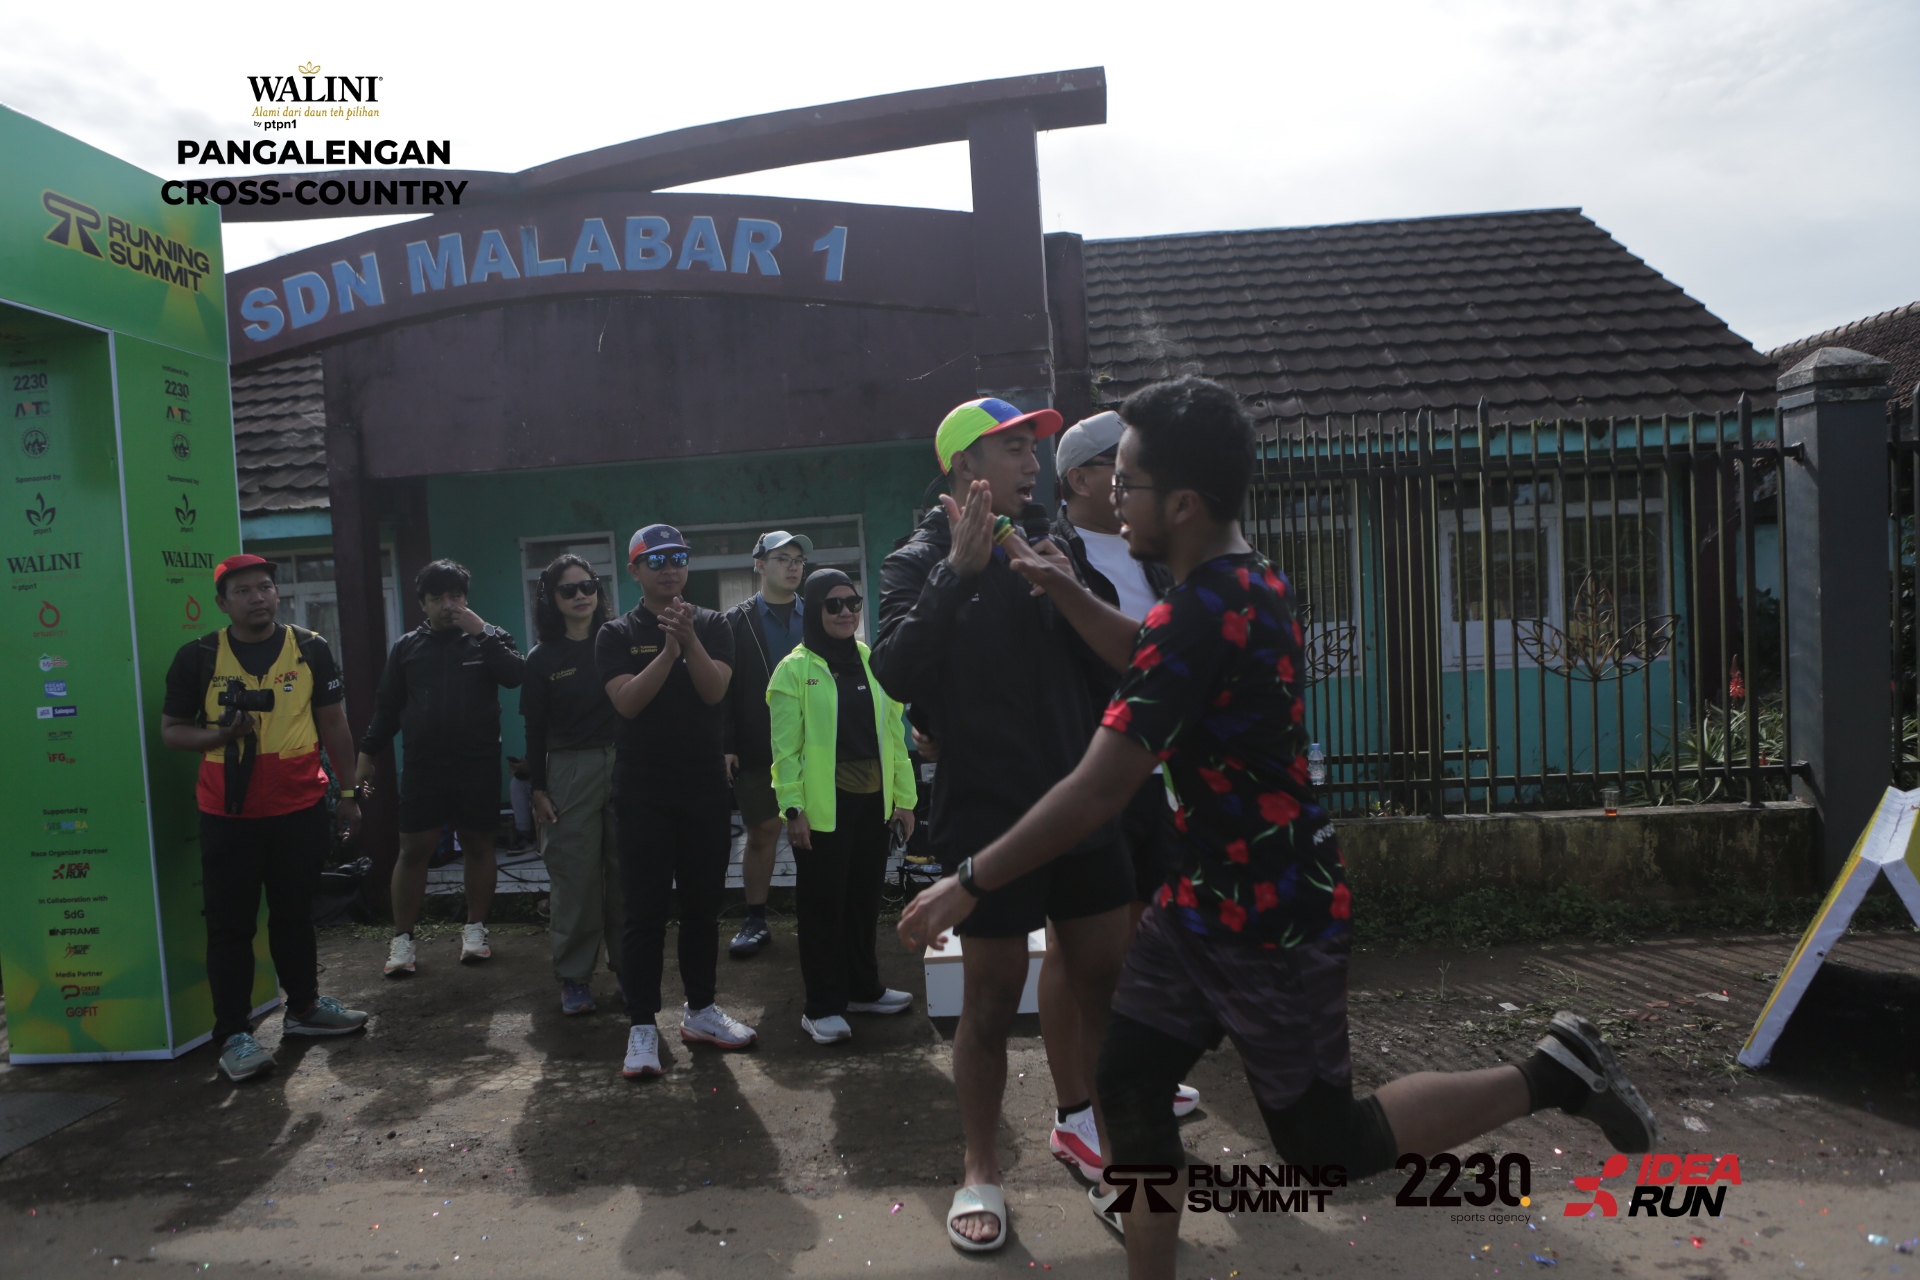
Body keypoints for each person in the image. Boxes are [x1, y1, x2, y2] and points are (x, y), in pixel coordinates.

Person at [898, 377, 1658, 1279]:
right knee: (1128, 1089)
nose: (1110, 497)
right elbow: (1141, 654)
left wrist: (967, 880)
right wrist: (1063, 586)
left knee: (1325, 1144)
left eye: (1127, 482)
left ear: (1181, 503)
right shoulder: (1228, 583)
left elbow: (1101, 786)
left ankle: (1554, 1072)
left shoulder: (1207, 608)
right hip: (1199, 905)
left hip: (1271, 916)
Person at [870, 397, 1136, 1253]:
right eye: (1014, 449)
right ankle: (981, 1168)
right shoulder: (915, 561)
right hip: (986, 814)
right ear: (965, 467)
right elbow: (897, 672)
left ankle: (1104, 1148)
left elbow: (1117, 660)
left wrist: (1064, 581)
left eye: (1034, 449)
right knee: (986, 1002)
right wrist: (957, 572)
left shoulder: (1054, 542)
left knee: (1102, 980)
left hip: (1082, 803)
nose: (1032, 464)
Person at [1040, 411, 1196, 1179]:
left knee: (1135, 938)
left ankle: (1126, 1080)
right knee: (1075, 947)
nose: (1137, 474)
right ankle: (1074, 1111)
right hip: (1088, 770)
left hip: (1153, 776)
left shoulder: (1152, 554)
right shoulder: (1052, 556)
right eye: (1121, 463)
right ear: (1079, 478)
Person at [160, 554, 369, 1082]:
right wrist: (220, 735)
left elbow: (335, 724)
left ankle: (304, 1009)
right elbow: (172, 731)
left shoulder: (311, 648)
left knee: (294, 913)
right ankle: (233, 1034)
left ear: (277, 594)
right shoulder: (198, 656)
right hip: (227, 813)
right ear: (222, 602)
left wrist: (348, 793)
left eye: (266, 587)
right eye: (244, 590)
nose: (258, 597)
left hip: (298, 808)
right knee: (230, 925)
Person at [597, 524, 756, 1079]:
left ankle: (701, 1010)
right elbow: (628, 703)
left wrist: (689, 641)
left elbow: (715, 691)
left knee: (701, 906)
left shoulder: (713, 624)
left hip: (702, 785)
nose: (670, 568)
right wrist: (668, 651)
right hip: (642, 787)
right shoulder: (616, 633)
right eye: (656, 560)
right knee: (643, 911)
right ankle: (642, 1025)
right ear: (635, 570)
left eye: (678, 558)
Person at [767, 570, 919, 1044]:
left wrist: (905, 800)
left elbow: (894, 735)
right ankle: (821, 1007)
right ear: (814, 611)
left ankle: (863, 989)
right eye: (833, 605)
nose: (845, 612)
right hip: (822, 812)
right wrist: (793, 810)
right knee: (823, 910)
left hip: (873, 804)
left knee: (863, 902)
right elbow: (785, 752)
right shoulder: (793, 670)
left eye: (852, 603)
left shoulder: (872, 660)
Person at [355, 559, 525, 976]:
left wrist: (481, 632)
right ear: (423, 604)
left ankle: (475, 930)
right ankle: (402, 941)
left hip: (477, 763)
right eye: (438, 598)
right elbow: (387, 708)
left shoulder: (490, 638)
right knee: (414, 849)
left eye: (456, 596)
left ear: (466, 598)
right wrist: (367, 755)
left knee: (478, 844)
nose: (449, 605)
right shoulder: (407, 648)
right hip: (423, 765)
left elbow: (514, 675)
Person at [522, 554, 623, 1015]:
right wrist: (538, 790)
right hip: (569, 770)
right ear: (551, 599)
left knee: (626, 877)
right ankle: (575, 978)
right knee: (575, 880)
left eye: (588, 586)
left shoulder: (618, 642)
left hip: (624, 764)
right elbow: (534, 730)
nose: (581, 595)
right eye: (568, 589)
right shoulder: (542, 658)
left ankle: (628, 971)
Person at [719, 530, 813, 957]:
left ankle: (819, 916)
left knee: (818, 832)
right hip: (758, 745)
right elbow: (723, 689)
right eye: (782, 559)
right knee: (762, 831)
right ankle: (755, 918)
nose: (793, 567)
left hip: (814, 747)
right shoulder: (735, 621)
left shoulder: (818, 615)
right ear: (759, 565)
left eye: (798, 560)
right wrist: (727, 743)